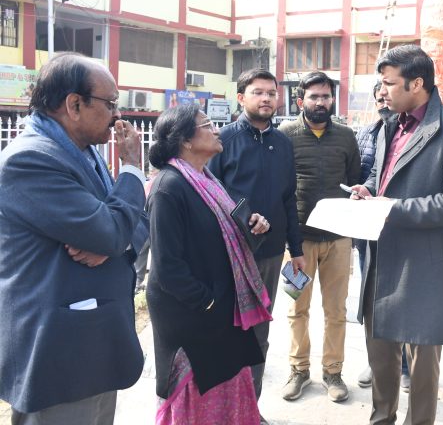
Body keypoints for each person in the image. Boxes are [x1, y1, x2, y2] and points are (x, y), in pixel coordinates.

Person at [0, 52, 148, 424]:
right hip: (60, 354)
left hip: (95, 343)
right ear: (74, 105)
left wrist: (113, 242)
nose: (117, 114)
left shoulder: (84, 152)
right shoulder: (30, 160)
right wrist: (132, 167)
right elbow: (114, 227)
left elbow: (133, 222)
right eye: (110, 103)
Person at [350, 44, 443, 425]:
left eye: (390, 83)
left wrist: (393, 209)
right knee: (380, 356)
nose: (382, 91)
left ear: (417, 83)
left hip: (425, 267)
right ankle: (381, 419)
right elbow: (383, 176)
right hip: (382, 258)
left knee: (422, 368)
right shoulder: (390, 126)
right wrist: (368, 191)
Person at [146, 103, 272, 424]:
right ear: (186, 140)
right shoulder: (169, 187)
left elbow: (225, 241)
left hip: (222, 316)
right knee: (198, 402)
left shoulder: (206, 180)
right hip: (194, 321)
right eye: (207, 125)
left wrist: (252, 229)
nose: (217, 130)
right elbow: (168, 268)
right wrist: (209, 303)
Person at [208, 69, 306, 414]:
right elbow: (209, 193)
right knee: (227, 332)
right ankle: (222, 413)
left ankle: (250, 411)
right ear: (241, 98)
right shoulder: (222, 140)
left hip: (270, 254)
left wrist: (296, 250)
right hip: (230, 253)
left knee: (258, 335)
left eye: (271, 93)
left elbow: (288, 199)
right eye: (258, 92)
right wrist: (242, 213)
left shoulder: (283, 143)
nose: (266, 98)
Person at [278, 71, 361, 402]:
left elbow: (354, 181)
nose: (321, 102)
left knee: (336, 311)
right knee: (296, 308)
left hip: (338, 240)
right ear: (301, 101)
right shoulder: (285, 135)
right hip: (297, 243)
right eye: (314, 97)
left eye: (326, 96)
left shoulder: (346, 137)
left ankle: (333, 372)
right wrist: (289, 239)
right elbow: (281, 187)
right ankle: (299, 370)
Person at [354, 82, 410, 392]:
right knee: (373, 302)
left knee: (402, 301)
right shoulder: (366, 134)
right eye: (379, 99)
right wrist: (362, 190)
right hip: (369, 232)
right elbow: (365, 175)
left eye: (388, 97)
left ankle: (406, 367)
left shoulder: (413, 134)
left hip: (402, 230)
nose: (384, 104)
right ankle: (375, 361)